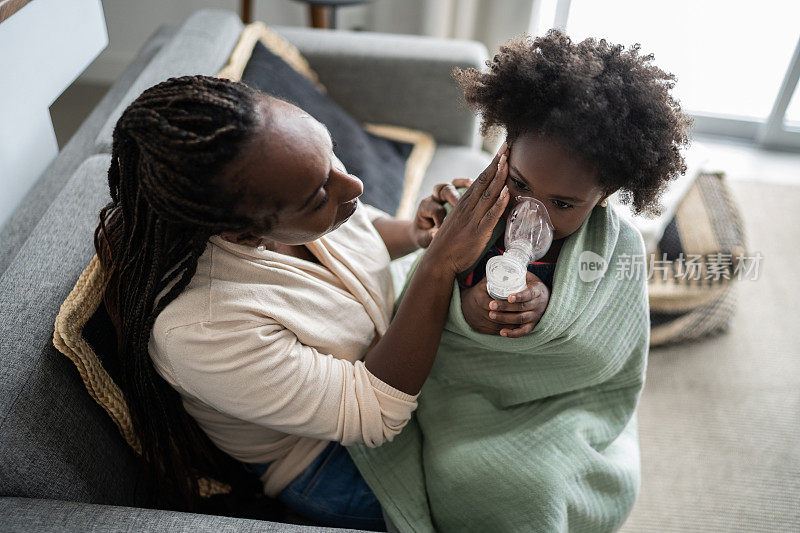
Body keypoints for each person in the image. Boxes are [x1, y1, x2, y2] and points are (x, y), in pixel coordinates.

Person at [93, 74, 548, 530]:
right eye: (318, 196)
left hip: (388, 365)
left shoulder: (296, 192)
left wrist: (414, 233)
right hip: (323, 458)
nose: (354, 186)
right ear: (244, 235)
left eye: (330, 153)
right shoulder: (201, 328)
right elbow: (375, 415)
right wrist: (438, 264)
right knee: (512, 496)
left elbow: (362, 229)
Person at [343, 29, 693, 532]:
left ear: (606, 193)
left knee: (549, 483)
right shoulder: (477, 209)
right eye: (521, 184)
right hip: (464, 396)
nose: (535, 212)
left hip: (559, 402)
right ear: (505, 148)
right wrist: (467, 302)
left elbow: (609, 350)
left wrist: (548, 309)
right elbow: (426, 291)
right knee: (473, 475)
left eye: (565, 204)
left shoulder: (617, 247)